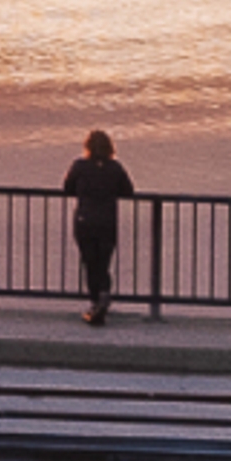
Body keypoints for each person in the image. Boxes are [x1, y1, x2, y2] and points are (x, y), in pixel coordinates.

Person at [61, 129, 133, 327]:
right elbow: (128, 191)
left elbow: (67, 188)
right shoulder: (115, 168)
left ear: (88, 147)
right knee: (103, 263)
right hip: (107, 222)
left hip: (85, 221)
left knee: (90, 262)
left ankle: (96, 302)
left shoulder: (80, 166)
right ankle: (103, 296)